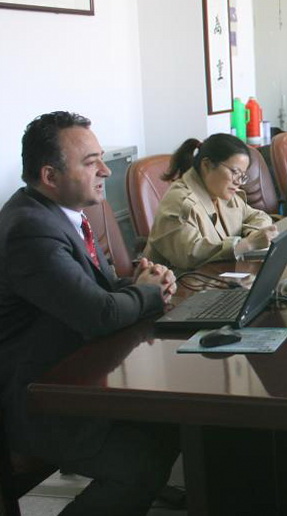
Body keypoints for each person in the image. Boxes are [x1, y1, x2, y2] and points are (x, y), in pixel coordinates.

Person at [0, 111, 180, 515]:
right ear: (50, 176)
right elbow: (97, 314)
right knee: (140, 464)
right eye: (90, 162)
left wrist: (142, 282)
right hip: (39, 399)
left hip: (78, 375)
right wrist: (148, 294)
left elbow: (94, 290)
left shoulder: (58, 213)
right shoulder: (30, 229)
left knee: (177, 424)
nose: (106, 171)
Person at [145, 134, 278, 270]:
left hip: (218, 276)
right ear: (206, 165)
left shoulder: (221, 191)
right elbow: (190, 255)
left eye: (242, 175)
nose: (238, 182)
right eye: (234, 172)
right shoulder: (180, 202)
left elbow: (258, 217)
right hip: (179, 281)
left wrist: (253, 234)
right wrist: (247, 244)